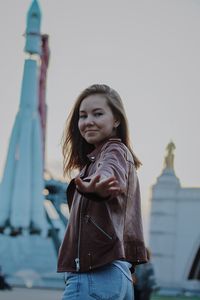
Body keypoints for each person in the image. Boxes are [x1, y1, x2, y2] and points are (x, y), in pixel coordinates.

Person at [57, 84, 147, 300]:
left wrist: (99, 185)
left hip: (94, 275)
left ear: (116, 119)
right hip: (117, 275)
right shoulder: (101, 158)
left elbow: (110, 172)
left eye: (98, 114)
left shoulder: (113, 151)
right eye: (83, 115)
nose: (88, 121)